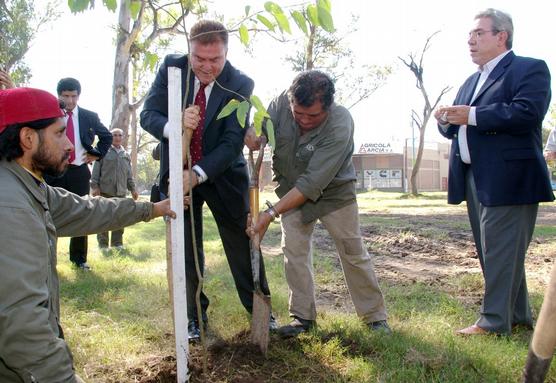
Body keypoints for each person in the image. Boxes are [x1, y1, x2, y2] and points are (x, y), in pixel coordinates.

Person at [0, 87, 175, 383]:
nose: (70, 144)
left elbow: (90, 211)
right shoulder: (12, 207)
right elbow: (21, 326)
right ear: (28, 139)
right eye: (59, 134)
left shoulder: (29, 188)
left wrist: (152, 209)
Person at [140, 19, 274, 341]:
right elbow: (148, 115)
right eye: (199, 59)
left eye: (215, 59)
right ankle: (194, 320)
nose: (207, 67)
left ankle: (261, 315)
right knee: (186, 249)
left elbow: (231, 143)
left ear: (227, 53)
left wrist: (197, 174)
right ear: (189, 49)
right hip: (178, 169)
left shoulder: (240, 83)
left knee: (242, 243)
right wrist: (175, 125)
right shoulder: (172, 68)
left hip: (222, 175)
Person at [245, 70, 390, 338]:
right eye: (298, 113)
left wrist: (270, 213)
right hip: (290, 190)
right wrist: (253, 135)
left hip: (334, 193)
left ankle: (374, 318)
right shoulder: (279, 105)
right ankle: (303, 318)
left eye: (312, 116)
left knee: (352, 251)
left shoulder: (340, 122)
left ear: (328, 106)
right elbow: (260, 134)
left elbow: (312, 183)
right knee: (294, 252)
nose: (303, 120)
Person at [435, 8, 553, 336]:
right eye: (469, 35)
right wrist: (446, 120)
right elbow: (457, 128)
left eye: (478, 34)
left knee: (500, 251)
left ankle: (492, 322)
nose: (470, 41)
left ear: (501, 36)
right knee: (497, 252)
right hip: (475, 178)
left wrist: (471, 115)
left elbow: (527, 113)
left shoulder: (529, 69)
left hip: (511, 178)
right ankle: (516, 316)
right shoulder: (470, 81)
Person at [45, 77, 113, 270]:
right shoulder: (50, 115)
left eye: (74, 96)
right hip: (53, 172)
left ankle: (79, 259)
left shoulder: (89, 116)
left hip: (79, 172)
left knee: (82, 212)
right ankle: (49, 259)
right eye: (65, 96)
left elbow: (106, 136)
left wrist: (96, 155)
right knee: (49, 214)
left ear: (79, 96)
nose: (70, 101)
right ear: (59, 95)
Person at [91, 128, 139, 250]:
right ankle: (103, 244)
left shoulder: (126, 155)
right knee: (104, 217)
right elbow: (96, 170)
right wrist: (95, 186)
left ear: (123, 137)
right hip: (105, 191)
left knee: (120, 218)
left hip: (121, 192)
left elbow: (129, 175)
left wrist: (133, 189)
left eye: (119, 135)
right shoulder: (103, 151)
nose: (117, 137)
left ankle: (117, 243)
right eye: (114, 135)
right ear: (110, 137)